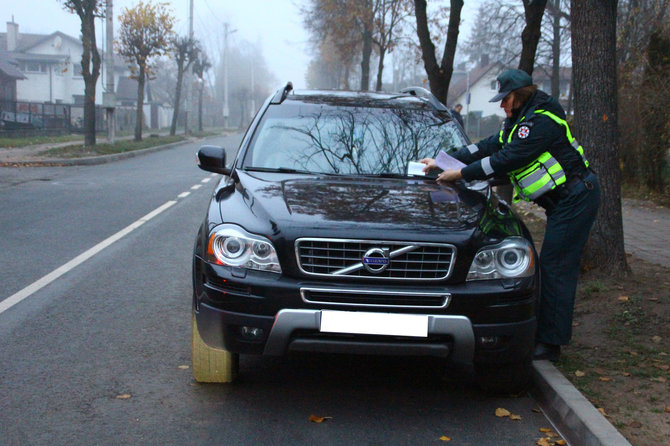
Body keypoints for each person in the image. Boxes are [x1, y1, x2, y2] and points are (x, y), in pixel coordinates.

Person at [421, 69, 600, 362]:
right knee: (552, 267)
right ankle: (546, 334)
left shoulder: (541, 120)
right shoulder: (518, 121)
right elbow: (488, 146)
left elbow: (508, 158)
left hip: (576, 199)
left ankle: (550, 344)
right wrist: (443, 159)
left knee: (555, 268)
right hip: (566, 202)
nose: (501, 105)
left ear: (520, 95)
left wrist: (461, 173)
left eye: (505, 99)